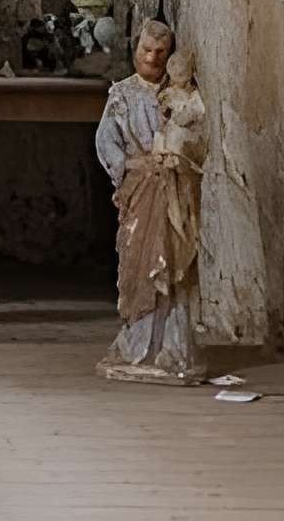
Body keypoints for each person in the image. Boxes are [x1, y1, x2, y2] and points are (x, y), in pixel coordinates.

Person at [94, 19, 206, 383]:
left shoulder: (181, 94)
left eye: (160, 52)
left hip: (174, 189)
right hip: (140, 188)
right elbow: (105, 141)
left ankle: (173, 349)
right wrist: (129, 166)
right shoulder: (122, 95)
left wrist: (180, 158)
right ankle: (137, 343)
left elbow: (198, 138)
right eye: (146, 50)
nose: (152, 58)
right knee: (138, 263)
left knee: (173, 263)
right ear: (135, 50)